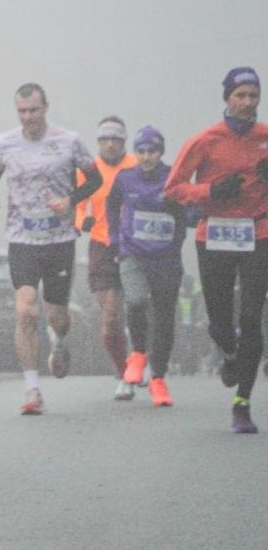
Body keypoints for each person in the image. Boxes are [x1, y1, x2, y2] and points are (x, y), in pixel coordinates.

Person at [164, 66, 268, 434]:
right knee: (221, 324)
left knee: (253, 319)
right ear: (227, 98)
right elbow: (173, 189)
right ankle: (228, 352)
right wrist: (210, 192)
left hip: (258, 234)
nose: (247, 102)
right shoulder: (204, 140)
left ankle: (243, 403)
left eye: (253, 96)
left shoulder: (265, 137)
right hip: (215, 237)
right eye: (240, 95)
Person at [0, 83, 102, 414]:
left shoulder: (68, 141)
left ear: (45, 108)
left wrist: (71, 201)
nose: (28, 118)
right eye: (22, 111)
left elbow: (95, 181)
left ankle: (59, 340)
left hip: (59, 241)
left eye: (33, 110)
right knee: (26, 310)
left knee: (57, 315)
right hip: (21, 239)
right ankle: (32, 389)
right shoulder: (5, 143)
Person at [106, 125, 185, 408]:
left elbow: (191, 210)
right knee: (137, 301)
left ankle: (158, 379)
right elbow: (111, 204)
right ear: (135, 153)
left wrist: (184, 211)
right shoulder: (126, 179)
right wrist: (115, 238)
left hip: (166, 259)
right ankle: (138, 354)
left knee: (164, 317)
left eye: (151, 151)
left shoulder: (174, 177)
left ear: (160, 152)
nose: (146, 156)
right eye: (141, 151)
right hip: (134, 255)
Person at [75, 117, 140, 399]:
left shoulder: (137, 164)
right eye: (104, 139)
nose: (110, 144)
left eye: (115, 139)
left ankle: (140, 357)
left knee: (138, 306)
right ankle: (123, 370)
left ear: (124, 141)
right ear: (98, 142)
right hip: (102, 244)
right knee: (111, 316)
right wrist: (82, 222)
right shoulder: (89, 169)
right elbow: (77, 204)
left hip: (136, 244)